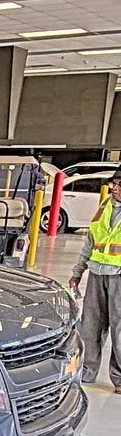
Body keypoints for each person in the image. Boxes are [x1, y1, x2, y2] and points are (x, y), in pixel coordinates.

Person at [70, 166, 121, 393]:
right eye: (115, 184)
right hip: (97, 273)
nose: (115, 189)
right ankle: (86, 372)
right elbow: (90, 242)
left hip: (119, 275)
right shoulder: (105, 207)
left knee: (120, 329)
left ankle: (119, 378)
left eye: (120, 185)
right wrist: (77, 272)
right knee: (89, 326)